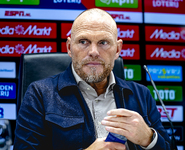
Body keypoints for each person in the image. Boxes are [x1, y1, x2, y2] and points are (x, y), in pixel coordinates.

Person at [13, 8, 171, 150]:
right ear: (69, 48)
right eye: (83, 42)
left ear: (117, 50)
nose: (94, 52)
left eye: (103, 42)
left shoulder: (141, 94)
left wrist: (149, 138)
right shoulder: (39, 94)